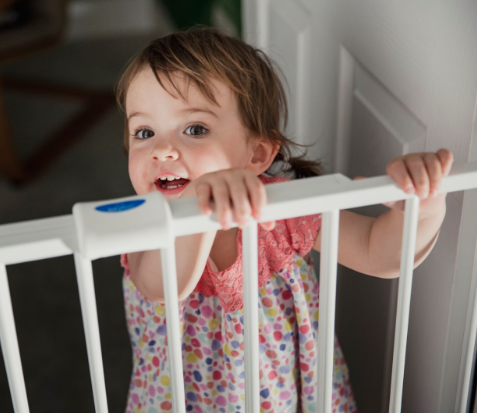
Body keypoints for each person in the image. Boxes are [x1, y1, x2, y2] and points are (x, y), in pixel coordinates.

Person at [115, 27, 452, 413]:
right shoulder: (142, 221)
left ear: (257, 154)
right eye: (144, 132)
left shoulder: (282, 209)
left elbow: (378, 252)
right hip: (179, 399)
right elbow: (161, 286)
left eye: (195, 129)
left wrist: (422, 207)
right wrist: (195, 203)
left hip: (278, 395)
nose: (161, 149)